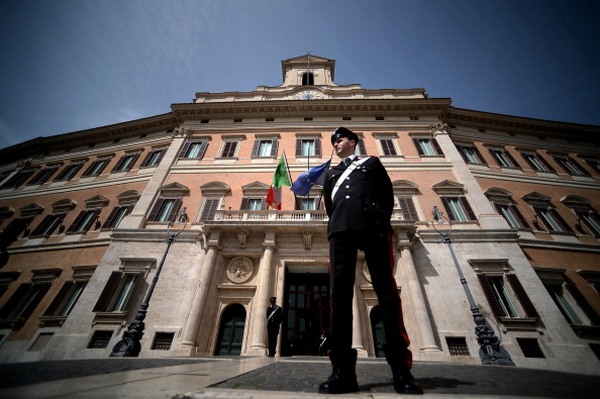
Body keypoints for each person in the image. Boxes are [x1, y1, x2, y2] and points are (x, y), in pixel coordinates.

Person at [318, 127, 422, 395]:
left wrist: (379, 221)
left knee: (387, 294)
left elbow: (386, 196)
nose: (335, 143)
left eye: (339, 139)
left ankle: (401, 369)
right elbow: (331, 206)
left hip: (373, 228)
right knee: (338, 298)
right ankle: (342, 371)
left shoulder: (372, 163)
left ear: (353, 142)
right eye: (333, 141)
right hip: (341, 231)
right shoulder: (331, 173)